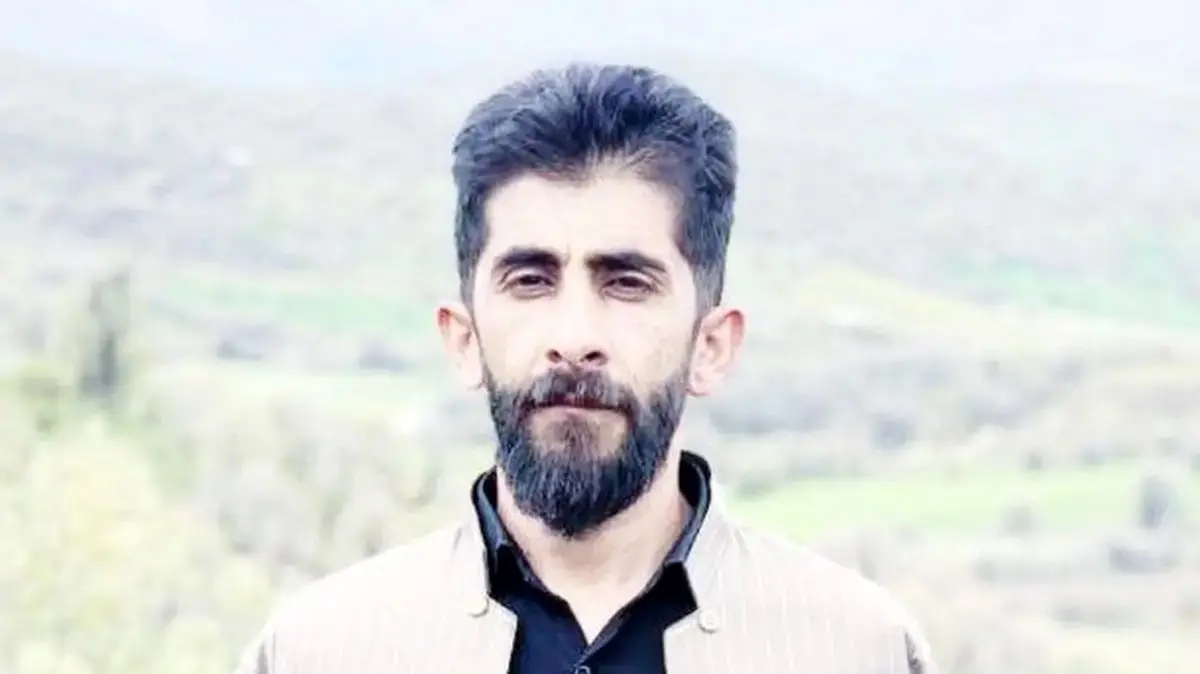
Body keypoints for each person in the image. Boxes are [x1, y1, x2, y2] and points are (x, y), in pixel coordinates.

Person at [234, 62, 938, 674]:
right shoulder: (321, 651)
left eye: (626, 283)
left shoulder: (856, 650)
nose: (574, 339)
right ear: (464, 338)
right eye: (530, 280)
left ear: (711, 346)